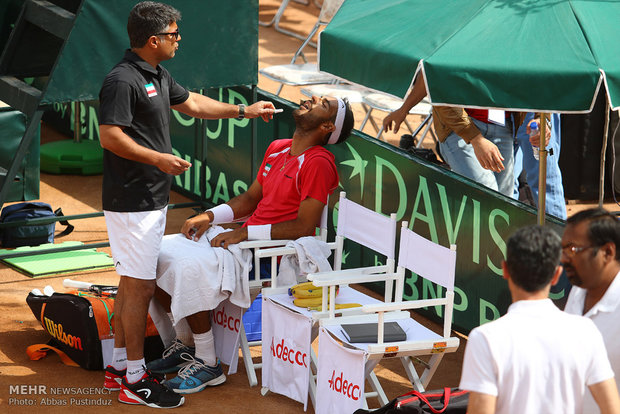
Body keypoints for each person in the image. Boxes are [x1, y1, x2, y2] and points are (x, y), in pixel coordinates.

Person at [98, 1, 276, 408]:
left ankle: (120, 366)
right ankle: (135, 378)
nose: (180, 40)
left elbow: (192, 104)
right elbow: (110, 136)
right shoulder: (122, 81)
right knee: (140, 286)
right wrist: (157, 158)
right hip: (132, 201)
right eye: (174, 35)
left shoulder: (156, 73)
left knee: (132, 281)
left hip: (147, 199)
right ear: (153, 39)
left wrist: (243, 111)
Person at [146, 95, 354, 395]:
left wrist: (244, 235)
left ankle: (208, 363)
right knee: (155, 254)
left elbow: (303, 227)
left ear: (326, 126)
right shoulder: (278, 148)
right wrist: (209, 215)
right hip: (245, 244)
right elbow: (250, 200)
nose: (311, 98)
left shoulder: (320, 163)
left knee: (187, 267)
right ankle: (186, 344)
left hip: (272, 256)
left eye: (323, 103)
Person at [459, 225, 620, 414]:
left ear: (505, 270)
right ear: (556, 275)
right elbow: (612, 408)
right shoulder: (586, 331)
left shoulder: (485, 338)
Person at [383, 75, 532, 197]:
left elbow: (534, 76)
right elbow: (433, 74)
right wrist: (475, 138)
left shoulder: (515, 42)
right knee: (488, 195)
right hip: (459, 128)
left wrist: (541, 118)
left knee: (504, 201)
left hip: (502, 126)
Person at [562, 208, 620, 413]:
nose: (564, 258)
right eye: (563, 249)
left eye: (573, 249)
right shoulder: (578, 291)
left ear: (607, 252)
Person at [513, 112, 567, 219]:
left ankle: (555, 232)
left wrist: (543, 115)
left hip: (535, 106)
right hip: (504, 108)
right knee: (504, 181)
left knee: (543, 179)